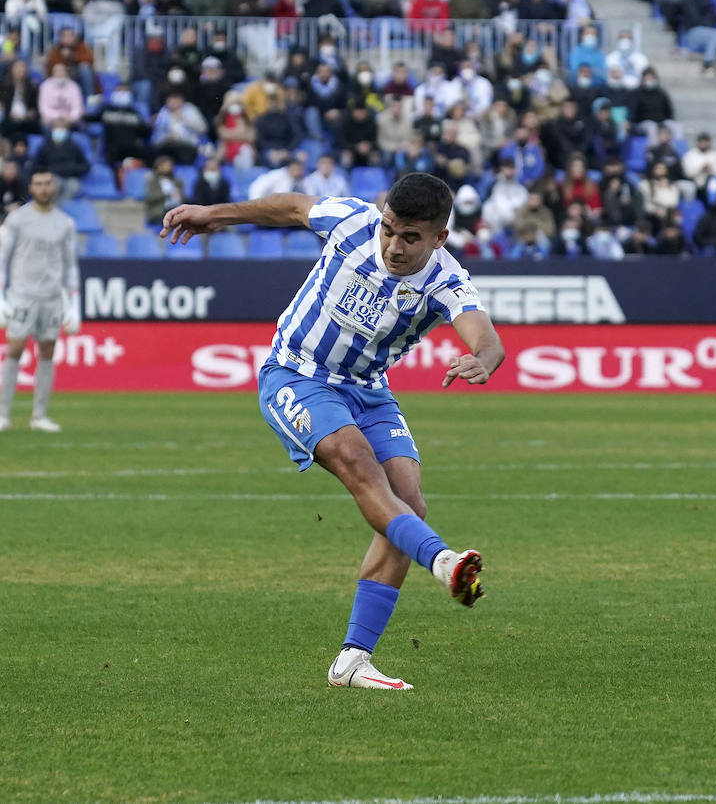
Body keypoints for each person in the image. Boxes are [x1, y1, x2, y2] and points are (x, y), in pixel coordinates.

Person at [159, 172, 502, 690]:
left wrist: (483, 360)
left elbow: (486, 336)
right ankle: (443, 561)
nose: (393, 245)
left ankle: (353, 660)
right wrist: (214, 213)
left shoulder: (446, 280)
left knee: (410, 502)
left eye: (411, 237)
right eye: (389, 229)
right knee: (359, 465)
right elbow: (292, 207)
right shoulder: (351, 221)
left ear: (439, 239)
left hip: (368, 390)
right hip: (295, 374)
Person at [0, 169, 79, 433]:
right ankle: (3, 414)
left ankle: (39, 416)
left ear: (53, 187)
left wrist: (74, 304)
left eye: (48, 183)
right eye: (38, 184)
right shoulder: (17, 219)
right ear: (31, 187)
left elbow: (70, 266)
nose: (44, 188)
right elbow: (2, 259)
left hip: (52, 296)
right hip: (22, 294)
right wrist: (1, 297)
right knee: (15, 348)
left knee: (47, 350)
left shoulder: (65, 223)